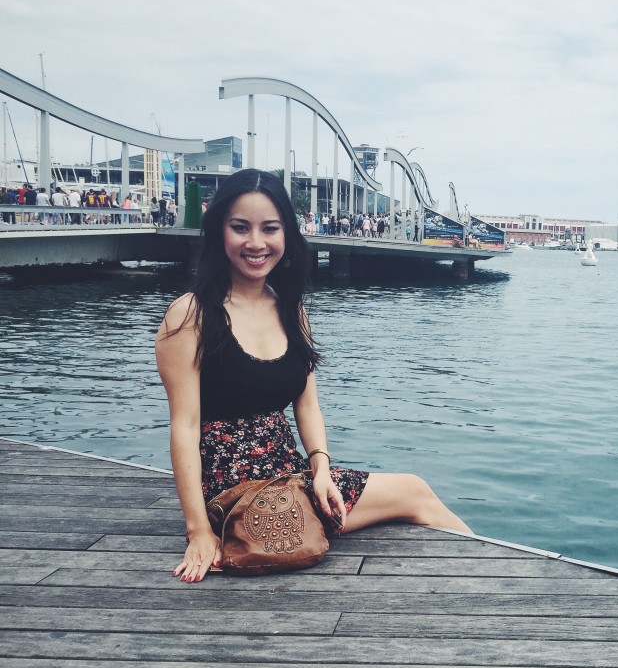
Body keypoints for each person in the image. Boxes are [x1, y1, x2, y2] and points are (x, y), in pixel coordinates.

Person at [155, 169, 471, 584]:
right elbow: (184, 427)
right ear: (219, 232)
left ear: (287, 234)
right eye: (240, 227)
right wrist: (198, 530)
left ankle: (490, 572)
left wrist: (321, 469)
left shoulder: (290, 309)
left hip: (292, 474)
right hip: (232, 492)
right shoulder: (190, 315)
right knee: (413, 494)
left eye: (270, 228)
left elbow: (308, 406)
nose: (256, 243)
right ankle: (494, 575)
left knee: (415, 491)